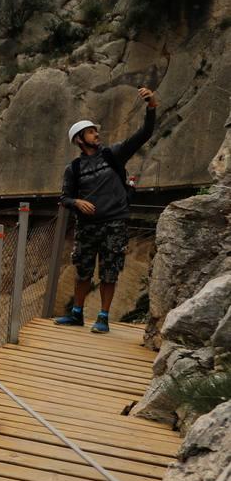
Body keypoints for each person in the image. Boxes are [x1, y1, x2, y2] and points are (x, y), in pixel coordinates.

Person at [55, 87, 158, 334]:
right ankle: (77, 314)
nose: (96, 134)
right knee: (83, 271)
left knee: (110, 272)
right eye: (91, 132)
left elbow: (144, 134)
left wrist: (151, 106)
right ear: (79, 139)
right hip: (87, 226)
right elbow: (64, 198)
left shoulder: (113, 155)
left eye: (95, 130)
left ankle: (103, 317)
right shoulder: (75, 168)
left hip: (115, 223)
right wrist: (77, 203)